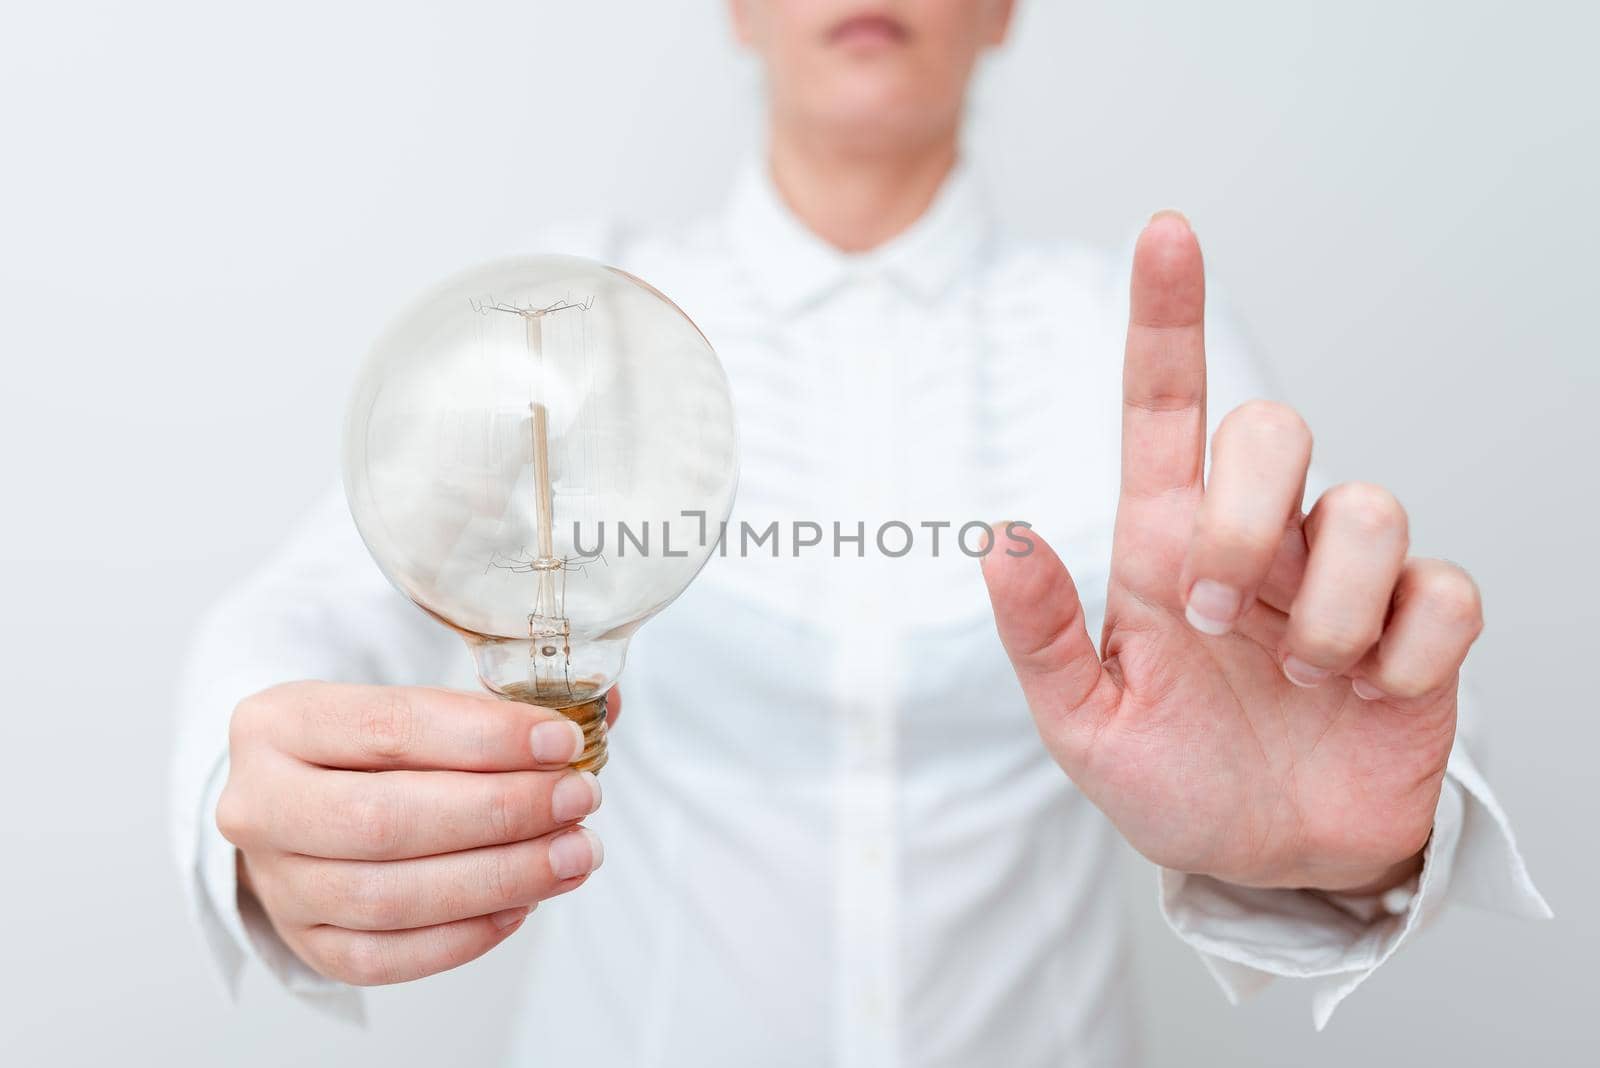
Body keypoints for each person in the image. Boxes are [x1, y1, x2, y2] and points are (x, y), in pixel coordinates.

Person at [172, 2, 1549, 1064]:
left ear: (1007, 6)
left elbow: (1334, 683)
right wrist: (274, 794)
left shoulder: (1130, 350)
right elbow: (302, 611)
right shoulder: (581, 312)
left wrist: (1352, 850)